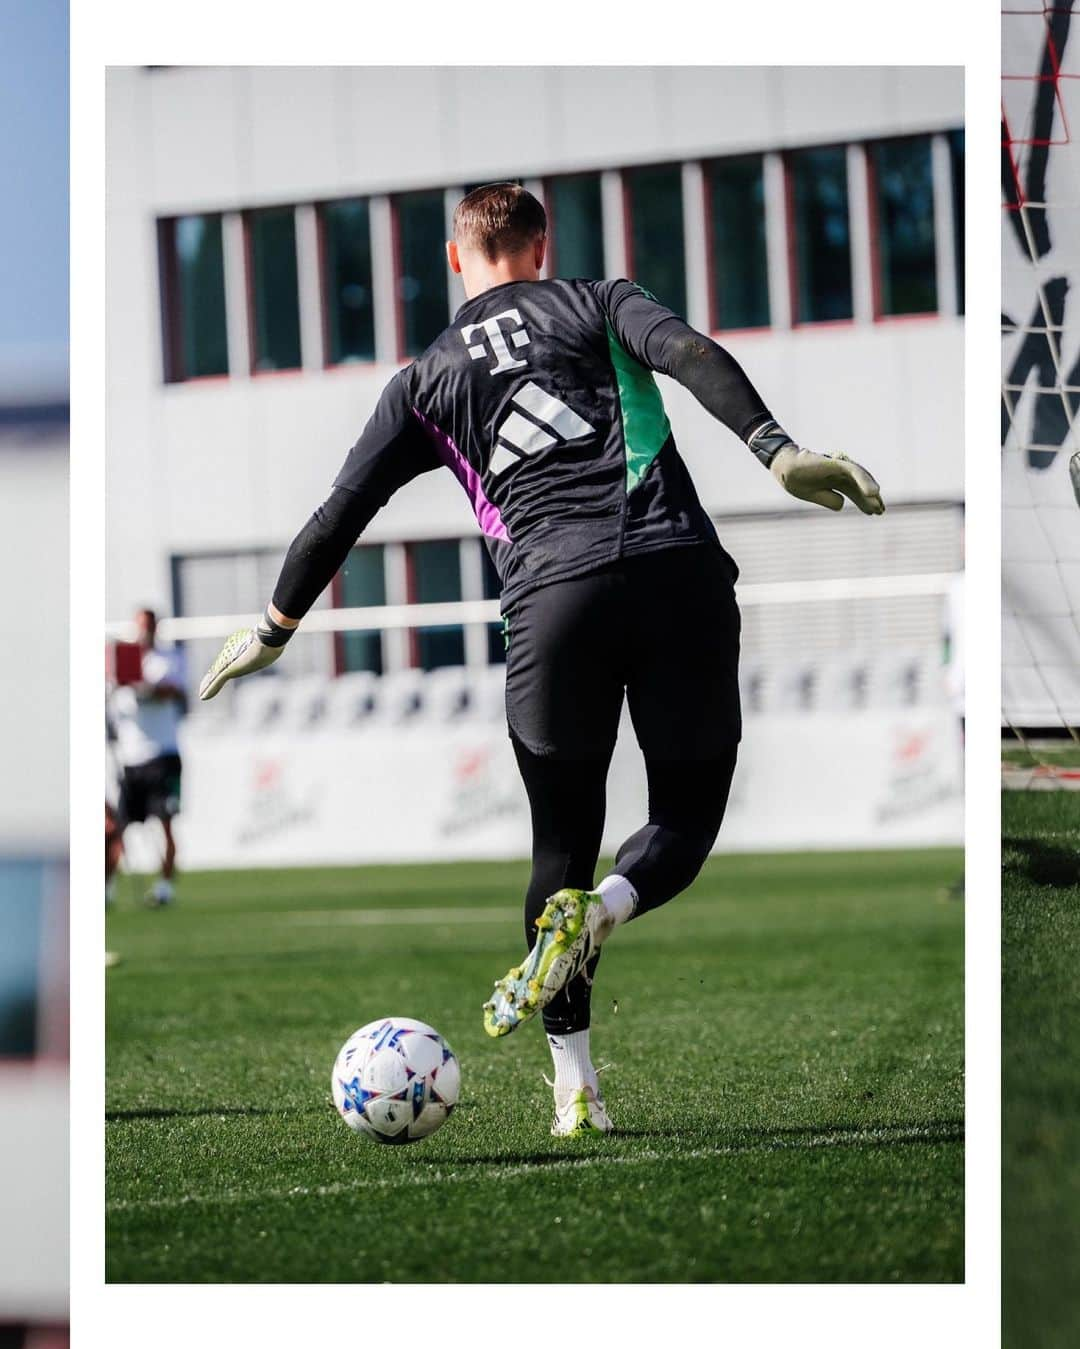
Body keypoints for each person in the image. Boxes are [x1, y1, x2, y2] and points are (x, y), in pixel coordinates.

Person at [198, 183, 884, 1137]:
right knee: (685, 819)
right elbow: (689, 354)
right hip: (673, 569)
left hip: (550, 608)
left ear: (453, 260)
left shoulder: (423, 380)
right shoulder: (599, 300)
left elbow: (340, 513)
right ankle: (607, 908)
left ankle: (575, 1091)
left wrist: (273, 627)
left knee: (558, 846)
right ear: (540, 243)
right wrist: (775, 449)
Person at [107, 608, 188, 907]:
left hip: (162, 754)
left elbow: (175, 693)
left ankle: (166, 887)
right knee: (118, 827)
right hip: (131, 757)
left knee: (165, 823)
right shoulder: (119, 662)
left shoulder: (169, 658)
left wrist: (143, 687)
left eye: (149, 626)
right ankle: (107, 889)